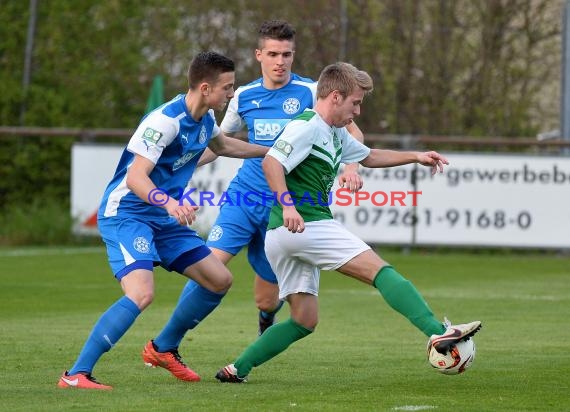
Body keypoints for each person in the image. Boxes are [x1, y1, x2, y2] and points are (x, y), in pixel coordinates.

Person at [215, 62, 482, 383]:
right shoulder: (307, 126)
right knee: (382, 272)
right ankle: (439, 333)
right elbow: (272, 162)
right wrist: (288, 206)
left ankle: (237, 369)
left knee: (303, 320)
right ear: (336, 97)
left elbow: (367, 156)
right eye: (355, 103)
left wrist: (416, 156)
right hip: (305, 225)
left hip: (283, 236)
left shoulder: (334, 132)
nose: (357, 111)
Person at [57, 51, 269, 390]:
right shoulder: (164, 121)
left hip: (160, 217)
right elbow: (137, 178)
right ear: (205, 88)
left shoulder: (205, 121)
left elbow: (225, 146)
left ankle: (164, 348)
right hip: (127, 214)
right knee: (141, 293)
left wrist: (271, 150)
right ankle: (76, 374)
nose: (231, 94)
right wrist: (169, 203)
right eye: (227, 88)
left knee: (219, 279)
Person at [165, 20, 365, 351]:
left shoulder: (311, 92)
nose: (280, 61)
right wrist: (178, 170)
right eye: (273, 53)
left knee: (266, 297)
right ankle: (166, 343)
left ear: (293, 55)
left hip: (286, 207)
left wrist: (351, 166)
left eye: (287, 54)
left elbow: (352, 132)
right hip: (244, 197)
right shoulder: (243, 95)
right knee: (210, 265)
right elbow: (221, 143)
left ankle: (266, 320)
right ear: (259, 55)